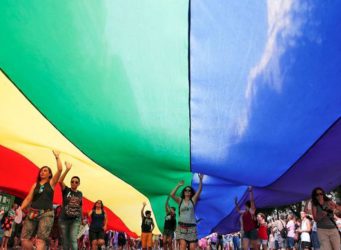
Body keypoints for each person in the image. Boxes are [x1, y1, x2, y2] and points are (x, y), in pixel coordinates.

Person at [20, 150, 63, 250]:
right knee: (24, 240)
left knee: (40, 239)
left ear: (49, 174)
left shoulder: (52, 183)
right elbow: (28, 198)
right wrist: (20, 209)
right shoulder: (35, 185)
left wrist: (57, 157)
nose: (42, 172)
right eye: (41, 170)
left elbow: (60, 169)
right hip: (32, 213)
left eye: (45, 170)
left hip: (46, 214)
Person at [170, 173, 204, 250]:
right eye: (186, 190)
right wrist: (178, 185)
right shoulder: (180, 200)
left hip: (192, 227)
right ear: (184, 192)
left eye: (189, 190)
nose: (187, 191)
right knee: (182, 246)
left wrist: (201, 180)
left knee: (192, 248)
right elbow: (172, 194)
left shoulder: (193, 200)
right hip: (182, 227)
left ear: (191, 193)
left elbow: (199, 190)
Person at [59, 161, 83, 250]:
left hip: (75, 220)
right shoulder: (66, 190)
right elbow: (60, 181)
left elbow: (80, 206)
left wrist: (82, 218)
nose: (74, 183)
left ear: (78, 184)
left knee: (73, 240)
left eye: (76, 182)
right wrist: (67, 170)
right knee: (65, 241)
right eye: (72, 181)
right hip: (64, 219)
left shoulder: (80, 193)